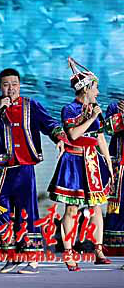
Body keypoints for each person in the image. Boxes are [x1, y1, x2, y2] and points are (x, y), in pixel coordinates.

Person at [0, 67, 66, 274]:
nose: (11, 89)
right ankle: (12, 255)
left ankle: (32, 259)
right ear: (0, 86)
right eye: (6, 85)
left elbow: (50, 124)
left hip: (24, 168)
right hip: (0, 168)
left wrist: (59, 139)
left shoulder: (31, 105)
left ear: (20, 85)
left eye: (14, 84)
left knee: (27, 212)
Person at [47, 57, 113, 271]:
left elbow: (100, 138)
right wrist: (91, 117)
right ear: (86, 89)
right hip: (74, 161)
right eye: (95, 88)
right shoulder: (69, 109)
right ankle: (68, 251)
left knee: (96, 207)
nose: (98, 92)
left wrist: (108, 163)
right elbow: (74, 135)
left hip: (93, 161)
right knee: (72, 208)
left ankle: (98, 250)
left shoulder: (95, 108)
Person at [103, 97, 124, 268]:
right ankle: (115, 247)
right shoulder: (115, 106)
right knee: (118, 205)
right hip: (119, 164)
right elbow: (109, 129)